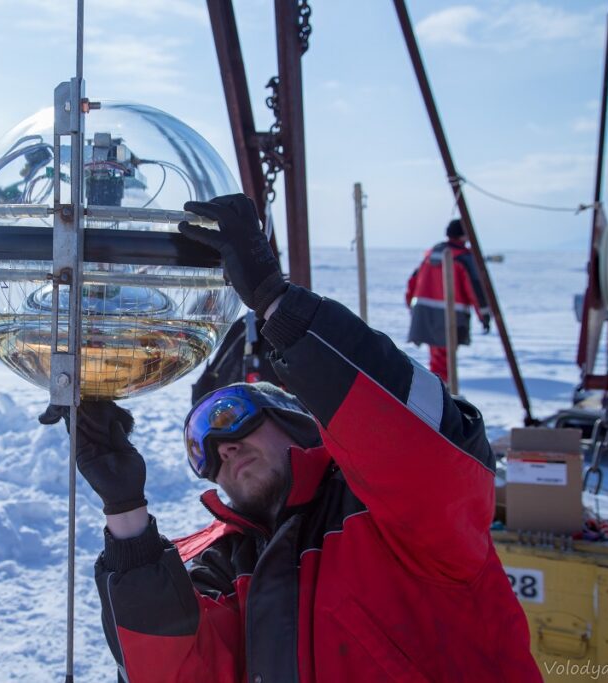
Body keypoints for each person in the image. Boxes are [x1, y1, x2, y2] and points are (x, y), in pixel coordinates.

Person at [52, 195, 540, 682]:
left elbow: (429, 451)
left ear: (294, 419)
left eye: (231, 415)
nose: (222, 447)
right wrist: (126, 513)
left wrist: (278, 303)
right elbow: (176, 672)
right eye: (201, 450)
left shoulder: (387, 515)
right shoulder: (227, 566)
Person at [405, 218, 491, 383]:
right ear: (464, 236)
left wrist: (412, 306)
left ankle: (440, 390)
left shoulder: (431, 254)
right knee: (444, 361)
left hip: (425, 313)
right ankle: (443, 392)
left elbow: (413, 282)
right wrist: (484, 315)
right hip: (450, 316)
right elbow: (475, 290)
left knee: (437, 359)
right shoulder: (463, 258)